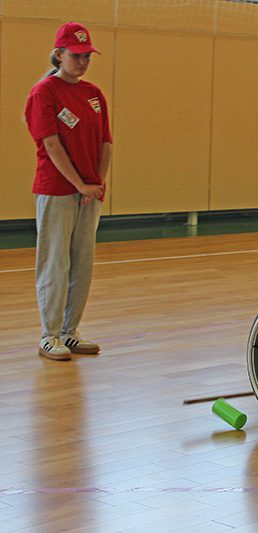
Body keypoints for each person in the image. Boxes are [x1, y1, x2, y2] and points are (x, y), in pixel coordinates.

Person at [24, 22, 112, 361]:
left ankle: (70, 331)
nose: (83, 61)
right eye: (76, 55)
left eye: (87, 55)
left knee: (82, 263)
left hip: (89, 193)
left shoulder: (94, 93)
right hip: (57, 190)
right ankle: (50, 334)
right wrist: (80, 184)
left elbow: (106, 142)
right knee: (55, 262)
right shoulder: (44, 92)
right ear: (59, 54)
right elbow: (51, 144)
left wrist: (97, 183)